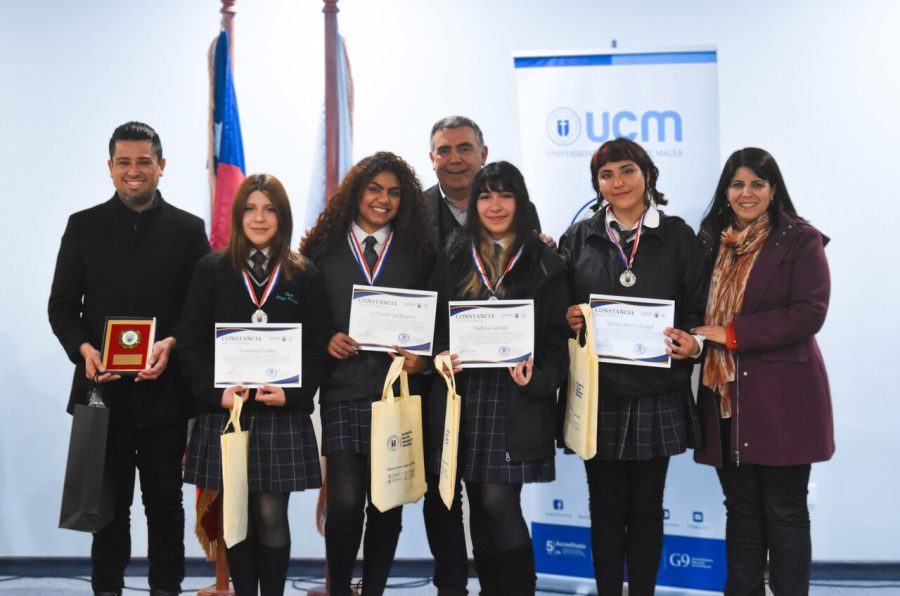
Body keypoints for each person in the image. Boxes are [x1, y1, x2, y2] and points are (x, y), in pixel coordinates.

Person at [48, 121, 210, 596]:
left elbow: (200, 310)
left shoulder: (188, 230)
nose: (133, 171)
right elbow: (61, 306)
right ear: (110, 168)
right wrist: (84, 349)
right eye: (124, 162)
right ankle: (107, 590)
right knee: (106, 507)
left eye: (144, 162)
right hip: (102, 391)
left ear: (162, 166)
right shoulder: (83, 226)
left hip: (165, 394)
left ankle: (166, 590)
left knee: (164, 504)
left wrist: (172, 344)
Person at [558, 138, 706, 596]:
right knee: (603, 507)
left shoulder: (678, 236)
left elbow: (698, 308)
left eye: (627, 170)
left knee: (646, 507)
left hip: (655, 391)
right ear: (597, 184)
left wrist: (693, 343)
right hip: (598, 393)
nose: (617, 182)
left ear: (648, 175)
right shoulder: (578, 237)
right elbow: (556, 306)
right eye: (606, 175)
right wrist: (567, 316)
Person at [178, 174, 329, 596]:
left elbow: (318, 346)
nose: (259, 218)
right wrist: (216, 393)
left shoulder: (304, 273)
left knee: (270, 513)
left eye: (269, 209)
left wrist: (294, 394)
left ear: (282, 216)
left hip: (281, 412)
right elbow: (191, 343)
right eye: (250, 208)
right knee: (236, 514)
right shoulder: (212, 269)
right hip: (226, 413)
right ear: (237, 213)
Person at [691, 148, 833, 595]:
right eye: (737, 184)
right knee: (742, 510)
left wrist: (731, 333)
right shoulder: (711, 238)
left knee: (786, 510)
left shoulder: (800, 239)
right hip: (726, 397)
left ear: (774, 190)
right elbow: (690, 299)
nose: (746, 193)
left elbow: (808, 313)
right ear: (726, 191)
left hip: (782, 399)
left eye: (757, 183)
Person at [431, 161, 570, 596]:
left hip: (517, 399)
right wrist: (441, 358)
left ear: (520, 201)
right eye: (485, 196)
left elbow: (558, 340)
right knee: (478, 499)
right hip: (465, 396)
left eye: (504, 195)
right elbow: (436, 327)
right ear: (474, 204)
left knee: (498, 500)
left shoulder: (546, 261)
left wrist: (539, 378)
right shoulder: (453, 253)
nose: (495, 205)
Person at [301, 152, 435, 596]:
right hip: (343, 391)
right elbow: (304, 315)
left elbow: (435, 321)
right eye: (374, 189)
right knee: (343, 504)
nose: (383, 199)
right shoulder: (321, 248)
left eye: (394, 192)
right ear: (356, 192)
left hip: (397, 395)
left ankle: (373, 589)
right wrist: (324, 340)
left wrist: (424, 358)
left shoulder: (419, 250)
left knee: (387, 504)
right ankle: (340, 589)